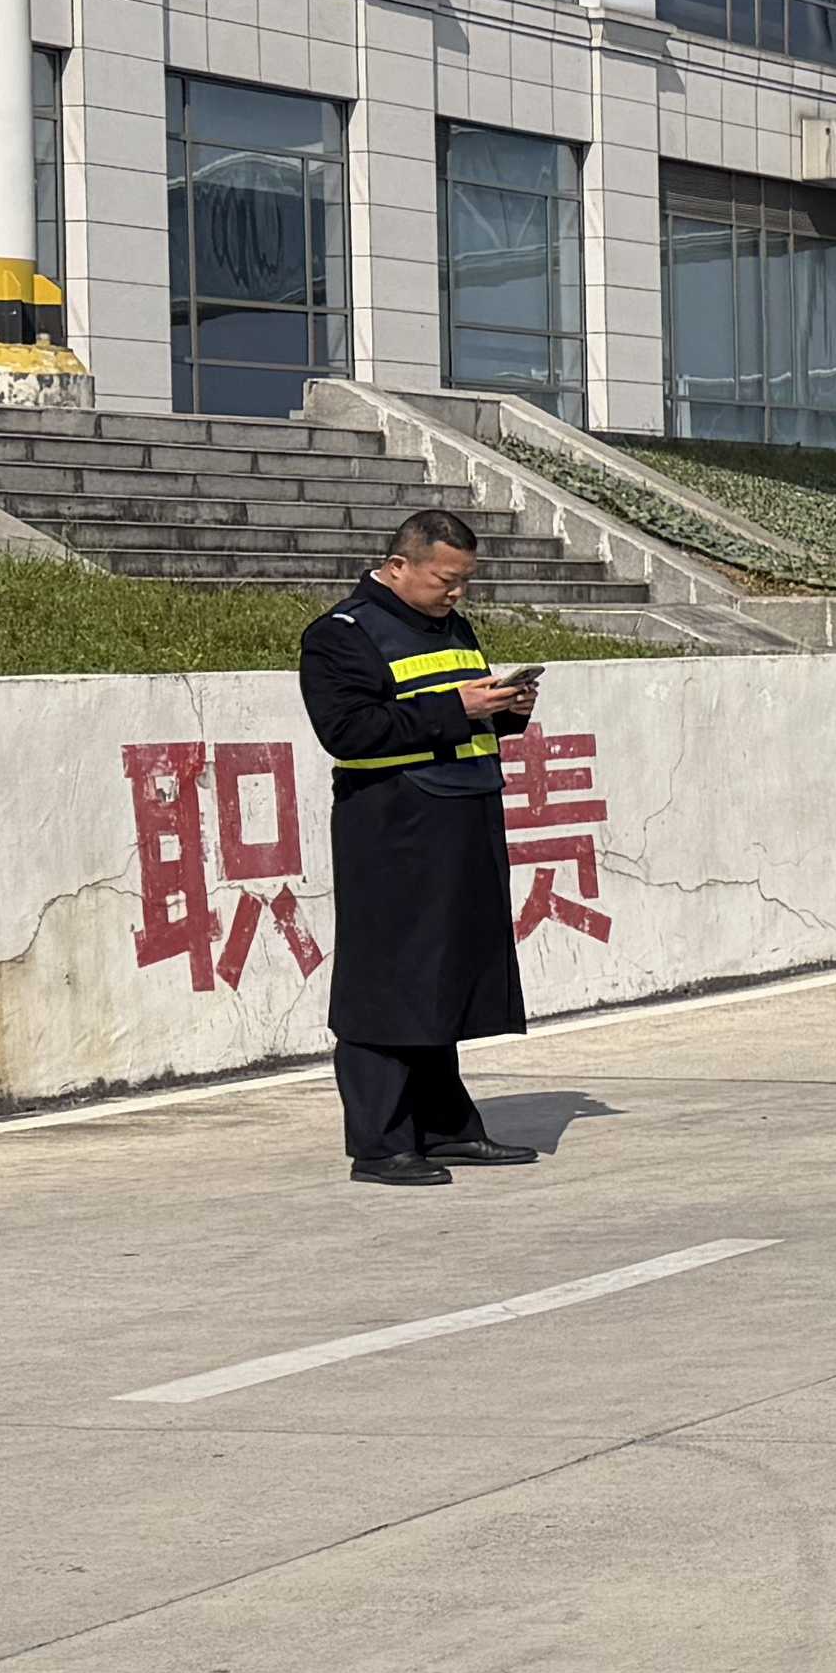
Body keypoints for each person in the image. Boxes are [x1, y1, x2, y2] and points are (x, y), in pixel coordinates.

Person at [301, 507, 538, 1188]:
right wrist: (457, 709)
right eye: (445, 580)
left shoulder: (450, 626)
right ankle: (379, 1145)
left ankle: (444, 1128)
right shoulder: (341, 635)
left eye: (465, 581)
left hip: (461, 817)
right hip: (392, 830)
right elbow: (349, 731)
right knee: (386, 981)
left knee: (441, 977)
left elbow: (461, 716)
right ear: (399, 566)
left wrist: (507, 710)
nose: (456, 593)